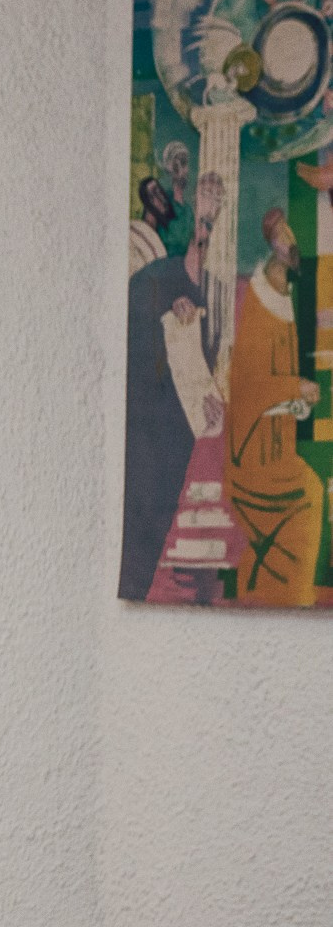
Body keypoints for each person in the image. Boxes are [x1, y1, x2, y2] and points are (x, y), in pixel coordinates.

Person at [120, 173, 224, 600]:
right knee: (140, 509)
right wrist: (165, 307)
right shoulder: (148, 275)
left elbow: (196, 363)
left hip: (170, 421)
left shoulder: (187, 285)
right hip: (142, 414)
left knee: (157, 506)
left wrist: (210, 401)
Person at [225, 208, 325, 604]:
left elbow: (280, 390)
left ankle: (275, 585)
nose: (293, 246)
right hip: (253, 459)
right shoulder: (258, 303)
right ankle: (287, 592)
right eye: (285, 239)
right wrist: (294, 387)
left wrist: (298, 399)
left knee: (311, 492)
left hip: (278, 448)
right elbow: (248, 389)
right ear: (272, 249)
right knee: (311, 495)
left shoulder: (283, 298)